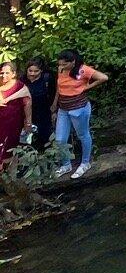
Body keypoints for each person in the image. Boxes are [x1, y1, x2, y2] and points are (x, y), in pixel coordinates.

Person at [52, 51, 106, 179]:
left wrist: (87, 87)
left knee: (82, 134)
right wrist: (55, 103)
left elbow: (103, 77)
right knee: (60, 139)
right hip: (63, 109)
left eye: (65, 64)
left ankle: (85, 163)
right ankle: (66, 164)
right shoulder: (60, 69)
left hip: (79, 108)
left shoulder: (83, 70)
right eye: (60, 64)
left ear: (73, 62)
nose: (62, 66)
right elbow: (59, 87)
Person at [21, 57, 54, 149]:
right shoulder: (22, 80)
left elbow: (53, 93)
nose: (32, 73)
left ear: (41, 70)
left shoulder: (47, 78)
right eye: (30, 71)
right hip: (27, 112)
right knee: (26, 137)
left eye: (36, 71)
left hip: (43, 111)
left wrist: (54, 109)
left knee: (44, 135)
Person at [0, 61, 26, 167]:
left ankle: (11, 172)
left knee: (9, 147)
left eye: (7, 73)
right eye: (2, 73)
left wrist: (28, 121)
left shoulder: (19, 86)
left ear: (14, 73)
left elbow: (27, 103)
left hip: (13, 123)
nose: (4, 75)